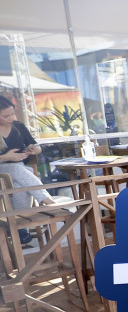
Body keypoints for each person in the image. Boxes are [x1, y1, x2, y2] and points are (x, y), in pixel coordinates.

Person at [0, 96, 66, 243]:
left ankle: (19, 228)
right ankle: (47, 200)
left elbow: (37, 146)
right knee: (20, 169)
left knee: (20, 184)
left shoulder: (19, 127)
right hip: (1, 172)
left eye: (12, 114)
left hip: (19, 172)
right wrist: (6, 157)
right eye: (6, 116)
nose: (11, 118)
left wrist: (35, 149)